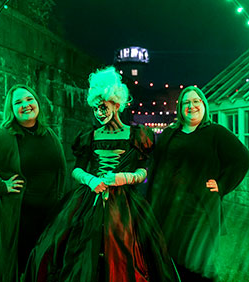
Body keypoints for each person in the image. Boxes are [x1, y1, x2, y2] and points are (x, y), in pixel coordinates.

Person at [23, 66, 179, 282]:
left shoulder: (137, 135)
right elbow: (76, 169)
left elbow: (144, 171)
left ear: (116, 104)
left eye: (103, 107)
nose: (99, 113)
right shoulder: (88, 136)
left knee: (125, 250)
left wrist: (124, 177)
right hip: (89, 200)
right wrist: (91, 179)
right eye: (95, 109)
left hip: (125, 203)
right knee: (75, 247)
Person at [147, 86, 249, 281]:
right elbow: (156, 167)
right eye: (186, 102)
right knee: (170, 263)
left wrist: (222, 185)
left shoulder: (215, 132)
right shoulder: (170, 134)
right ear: (180, 108)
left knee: (200, 265)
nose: (191, 106)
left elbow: (243, 159)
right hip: (170, 211)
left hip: (200, 211)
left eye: (196, 101)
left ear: (203, 104)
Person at [0, 84, 67, 282]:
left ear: (37, 103)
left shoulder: (48, 134)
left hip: (48, 215)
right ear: (11, 109)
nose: (26, 105)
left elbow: (60, 171)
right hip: (20, 217)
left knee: (46, 266)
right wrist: (1, 186)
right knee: (21, 267)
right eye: (18, 102)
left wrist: (60, 202)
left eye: (30, 99)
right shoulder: (4, 134)